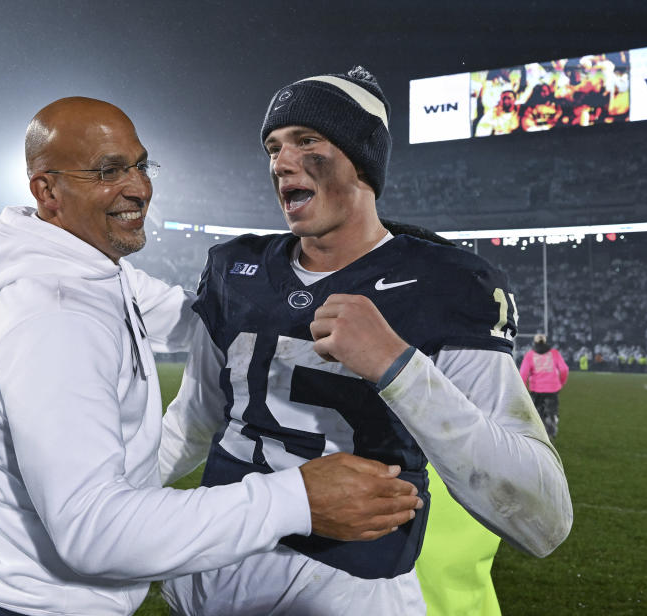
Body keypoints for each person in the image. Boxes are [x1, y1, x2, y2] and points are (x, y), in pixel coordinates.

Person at [0, 97, 424, 616]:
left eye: (139, 164)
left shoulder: (96, 270)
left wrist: (326, 281)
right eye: (109, 171)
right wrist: (298, 499)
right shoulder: (55, 319)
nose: (138, 187)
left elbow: (198, 318)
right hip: (36, 607)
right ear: (47, 191)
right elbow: (93, 530)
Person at [160, 67, 573, 615]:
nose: (281, 163)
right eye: (273, 147)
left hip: (346, 586)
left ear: (363, 157)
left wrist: (397, 366)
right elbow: (192, 421)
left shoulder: (449, 282)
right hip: (214, 566)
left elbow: (543, 519)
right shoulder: (234, 266)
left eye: (307, 140)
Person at [520, 333, 569, 439]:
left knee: (537, 412)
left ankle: (538, 433)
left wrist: (523, 388)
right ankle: (551, 430)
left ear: (535, 342)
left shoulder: (530, 355)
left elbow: (523, 373)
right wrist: (561, 382)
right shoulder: (554, 353)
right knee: (552, 411)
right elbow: (564, 369)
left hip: (536, 389)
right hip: (552, 388)